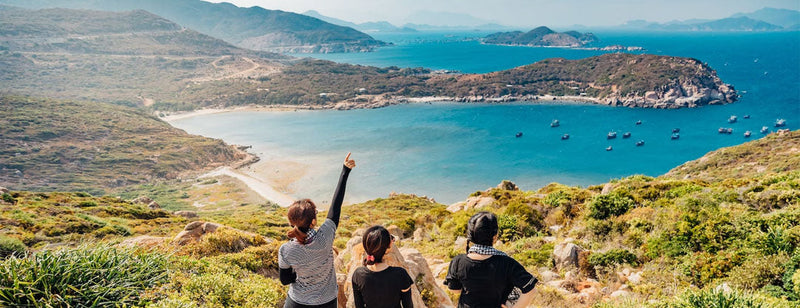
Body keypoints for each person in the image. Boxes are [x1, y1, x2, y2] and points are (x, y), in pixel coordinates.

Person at [279, 153, 356, 308]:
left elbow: (285, 280)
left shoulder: (286, 250)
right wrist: (345, 171)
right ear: (313, 222)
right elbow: (336, 206)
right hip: (326, 301)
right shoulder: (325, 237)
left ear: (291, 222)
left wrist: (302, 275)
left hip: (297, 302)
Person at [444, 212, 537, 308]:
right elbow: (530, 290)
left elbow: (454, 290)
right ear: (495, 237)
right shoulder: (508, 263)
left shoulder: (458, 261)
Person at [351, 226, 414, 308]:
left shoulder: (358, 274)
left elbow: (359, 306)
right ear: (388, 246)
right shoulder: (400, 274)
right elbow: (408, 305)